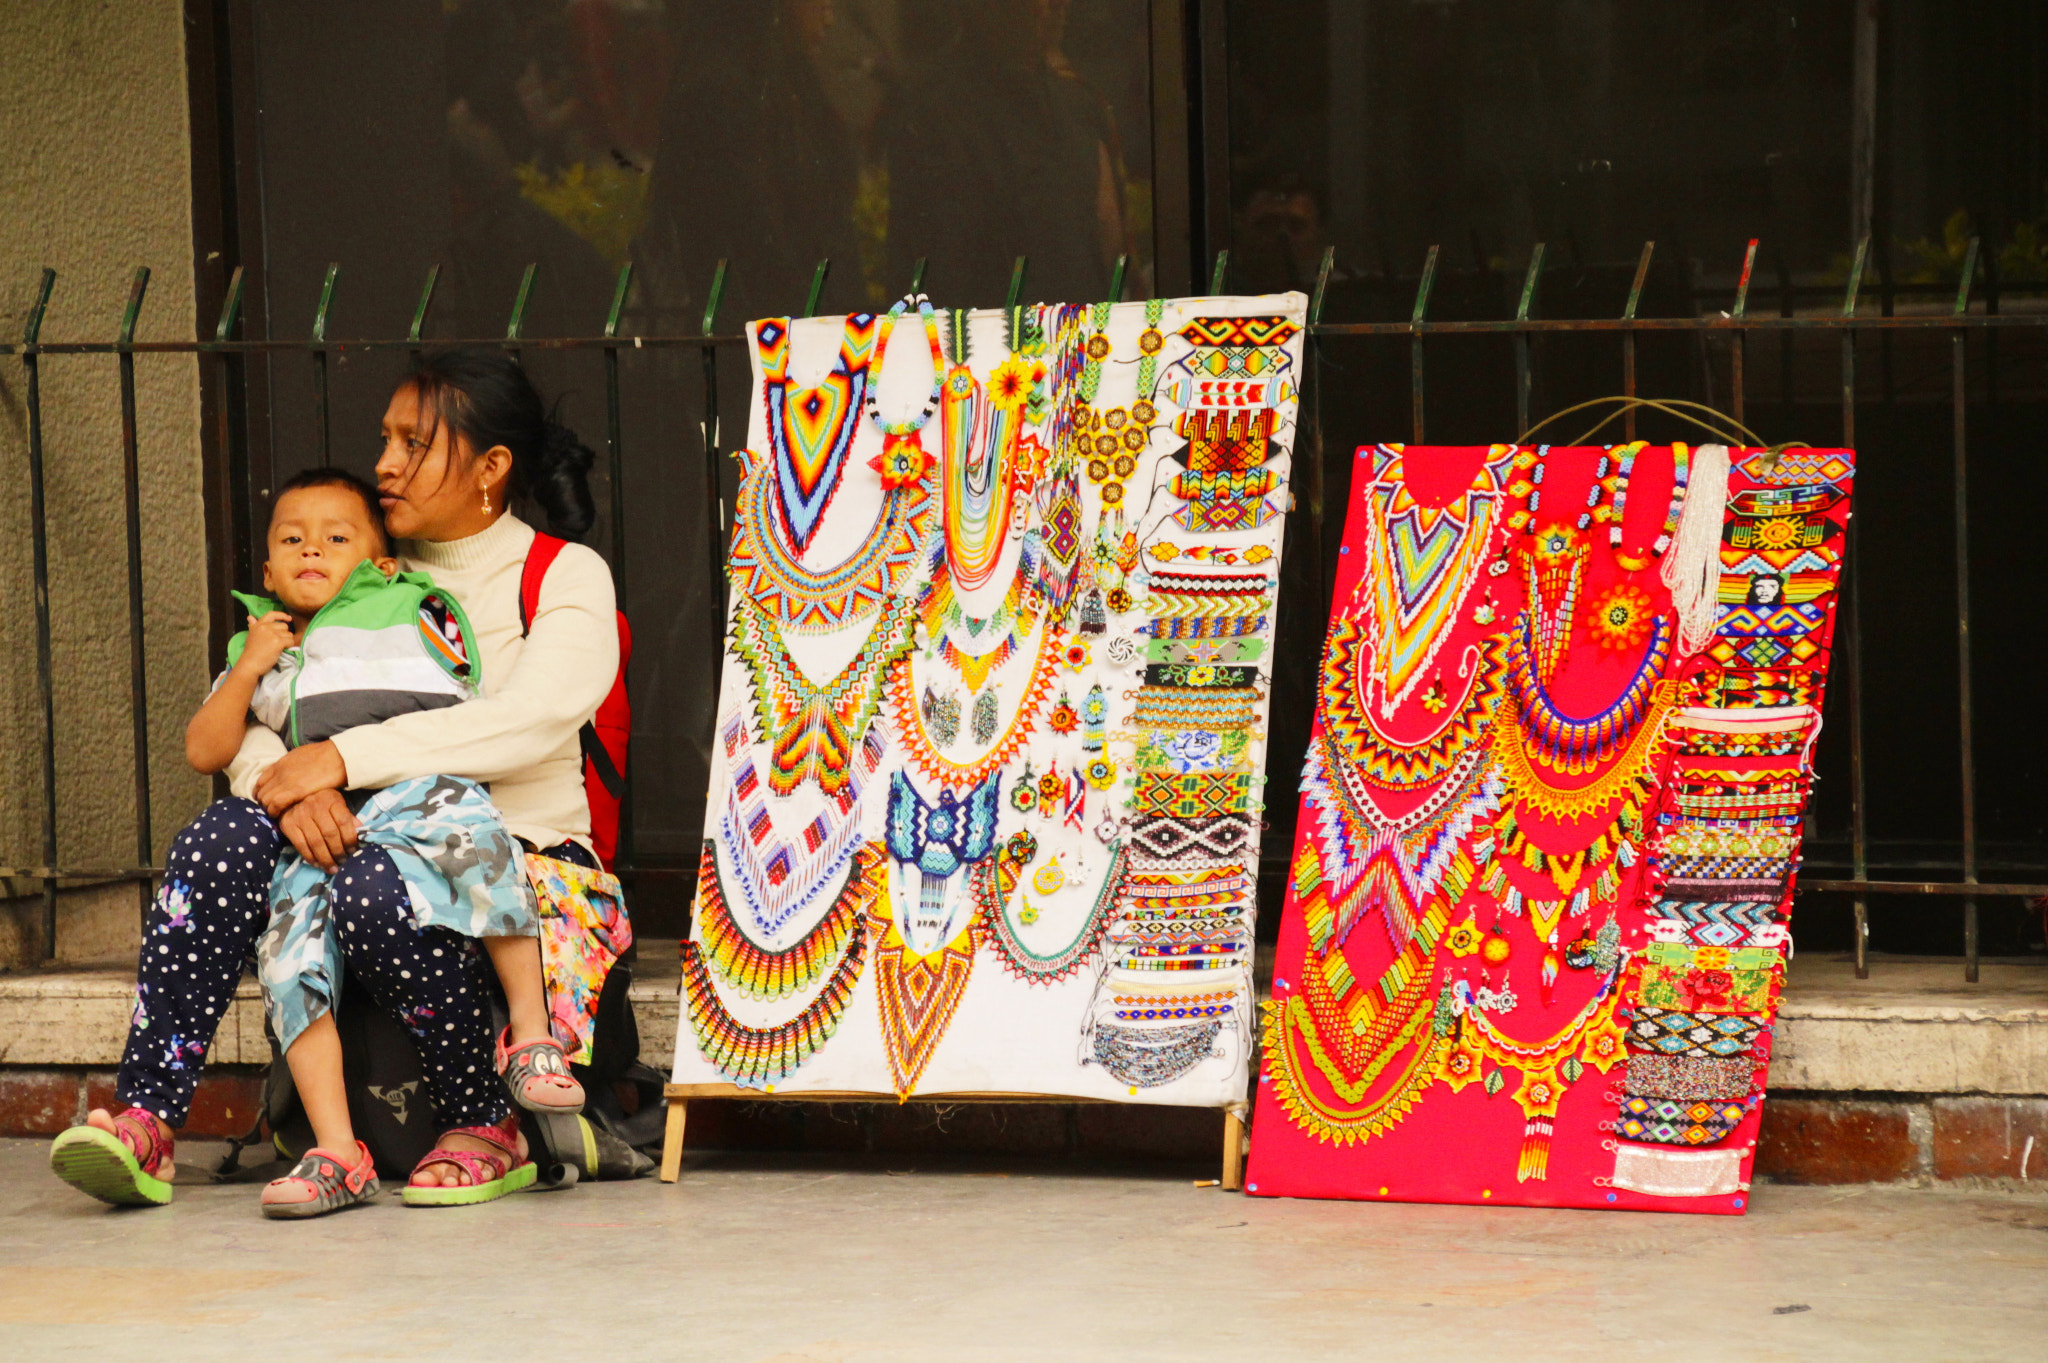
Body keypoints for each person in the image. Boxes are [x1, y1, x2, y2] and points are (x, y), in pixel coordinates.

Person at [48, 348, 620, 1211]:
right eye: (385, 440)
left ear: (491, 467)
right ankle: (149, 1117)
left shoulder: (559, 574)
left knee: (369, 879)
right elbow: (256, 716)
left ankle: (481, 1121)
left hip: (505, 856)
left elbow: (532, 717)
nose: (385, 463)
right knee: (221, 835)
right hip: (345, 829)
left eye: (414, 444)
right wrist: (293, 781)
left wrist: (343, 760)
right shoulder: (355, 561)